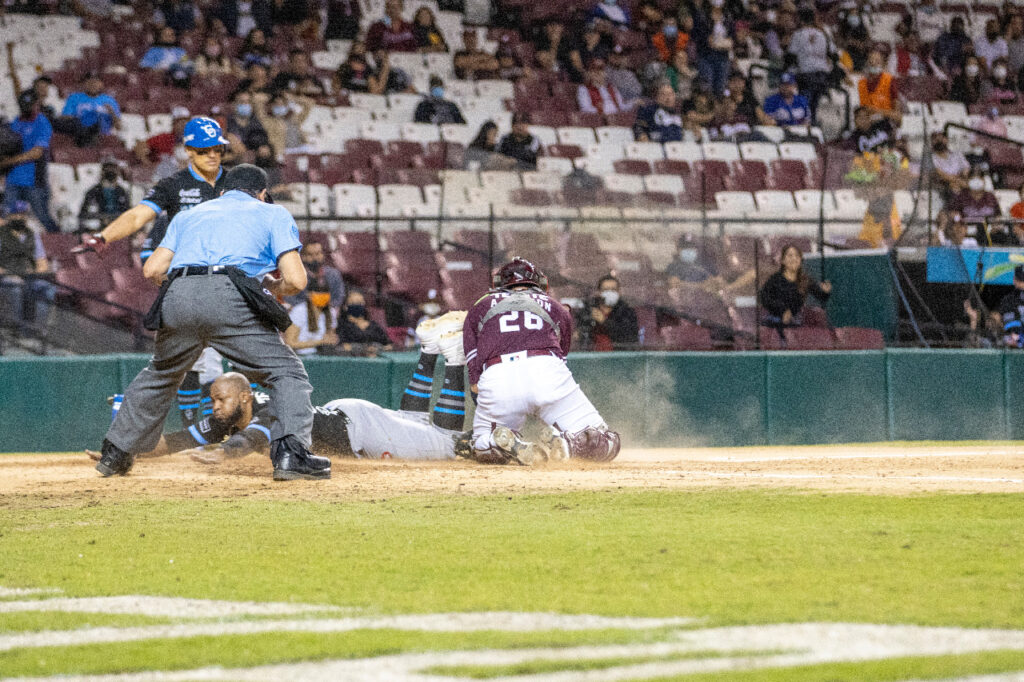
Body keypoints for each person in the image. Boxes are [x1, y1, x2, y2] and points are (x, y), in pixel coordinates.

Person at [93, 164, 331, 481]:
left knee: (162, 373)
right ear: (262, 194)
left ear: (221, 192)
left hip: (178, 292)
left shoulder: (189, 215)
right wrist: (269, 287)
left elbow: (152, 270)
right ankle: (291, 456)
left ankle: (115, 454)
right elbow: (297, 281)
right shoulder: (272, 213)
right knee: (286, 371)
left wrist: (189, 289)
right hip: (232, 293)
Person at [463, 258, 621, 465]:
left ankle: (495, 441)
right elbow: (562, 355)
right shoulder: (556, 306)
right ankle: (569, 445)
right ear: (538, 282)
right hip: (545, 370)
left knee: (482, 446)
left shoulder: (480, 305)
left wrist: (476, 380)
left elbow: (471, 353)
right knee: (606, 441)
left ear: (500, 283)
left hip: (497, 376)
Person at [1, 90, 61, 234]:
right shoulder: (16, 121)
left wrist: (8, 162)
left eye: (30, 105)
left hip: (35, 181)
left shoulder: (42, 123)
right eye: (24, 105)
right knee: (5, 216)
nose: (27, 108)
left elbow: (37, 152)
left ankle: (61, 244)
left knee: (43, 217)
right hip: (13, 180)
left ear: (36, 104)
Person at [0, 201, 55, 332]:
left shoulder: (32, 235)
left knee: (47, 288)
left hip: (28, 276)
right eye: (16, 214)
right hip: (7, 277)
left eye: (23, 214)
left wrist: (35, 273)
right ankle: (16, 330)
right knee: (16, 288)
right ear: (9, 216)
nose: (20, 217)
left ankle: (38, 330)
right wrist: (10, 274)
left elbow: (42, 262)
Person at [758, 245, 832, 338]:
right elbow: (764, 298)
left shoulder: (805, 280)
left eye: (797, 256)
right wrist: (782, 310)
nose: (794, 259)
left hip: (795, 325)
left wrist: (826, 292)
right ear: (783, 261)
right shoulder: (775, 280)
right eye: (790, 256)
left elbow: (821, 297)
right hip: (774, 324)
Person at [787, 8, 833, 124]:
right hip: (822, 75)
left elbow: (791, 56)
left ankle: (807, 127)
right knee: (814, 105)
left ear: (801, 20)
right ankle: (812, 124)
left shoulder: (798, 34)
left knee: (805, 104)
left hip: (806, 75)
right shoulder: (823, 34)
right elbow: (833, 54)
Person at [578, 274, 639, 351]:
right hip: (592, 358)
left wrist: (605, 321)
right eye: (606, 290)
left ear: (619, 292)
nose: (610, 293)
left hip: (618, 358)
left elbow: (629, 338)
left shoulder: (627, 312)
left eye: (613, 290)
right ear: (599, 292)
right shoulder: (588, 310)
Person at [60, 72, 121, 146]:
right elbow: (65, 118)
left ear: (101, 84)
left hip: (102, 135)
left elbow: (119, 127)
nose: (93, 85)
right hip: (81, 133)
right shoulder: (74, 98)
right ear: (84, 84)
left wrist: (112, 112)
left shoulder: (109, 100)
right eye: (90, 82)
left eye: (96, 82)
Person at [285, 241, 344, 311]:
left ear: (323, 255)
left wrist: (324, 306)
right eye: (310, 254)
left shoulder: (333, 274)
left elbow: (339, 298)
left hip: (328, 313)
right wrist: (310, 306)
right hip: (303, 314)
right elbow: (289, 298)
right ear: (303, 257)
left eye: (318, 253)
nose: (315, 258)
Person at [284, 281, 339, 355]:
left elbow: (330, 336)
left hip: (322, 354)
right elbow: (290, 343)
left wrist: (332, 339)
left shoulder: (331, 312)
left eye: (325, 293)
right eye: (318, 292)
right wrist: (319, 342)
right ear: (309, 294)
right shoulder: (299, 311)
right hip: (301, 355)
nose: (322, 295)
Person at [78, 159, 131, 232]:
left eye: (113, 169)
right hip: (98, 227)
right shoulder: (93, 191)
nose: (110, 171)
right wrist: (102, 219)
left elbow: (127, 211)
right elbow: (84, 213)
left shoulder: (121, 191)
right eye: (107, 168)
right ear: (102, 172)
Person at [336, 289, 392, 356]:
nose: (357, 305)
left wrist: (377, 349)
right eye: (354, 303)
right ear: (345, 307)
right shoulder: (342, 326)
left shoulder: (374, 326)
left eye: (360, 303)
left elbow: (389, 346)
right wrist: (363, 350)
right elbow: (342, 346)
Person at [858, 48, 902, 121]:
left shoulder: (890, 80)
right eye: (871, 61)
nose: (873, 63)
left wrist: (883, 113)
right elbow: (865, 108)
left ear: (883, 64)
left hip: (886, 121)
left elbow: (897, 113)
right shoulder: (862, 83)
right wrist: (888, 113)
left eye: (877, 61)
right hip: (869, 121)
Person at [928, 131, 970, 199]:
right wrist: (959, 181)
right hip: (945, 186)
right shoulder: (931, 158)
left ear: (946, 139)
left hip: (962, 182)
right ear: (932, 142)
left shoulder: (957, 154)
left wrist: (962, 178)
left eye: (941, 138)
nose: (939, 140)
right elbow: (941, 174)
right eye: (936, 139)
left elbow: (966, 168)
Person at [999, 265, 1024, 347]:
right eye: (1021, 280)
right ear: (1015, 280)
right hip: (1017, 345)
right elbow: (1013, 333)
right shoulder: (1009, 300)